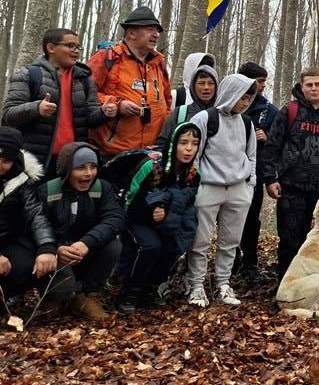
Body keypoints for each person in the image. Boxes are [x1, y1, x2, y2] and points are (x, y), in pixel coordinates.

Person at [262, 68, 319, 280]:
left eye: (317, 84)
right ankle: (286, 284)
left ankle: (315, 283)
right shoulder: (289, 111)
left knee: (318, 241)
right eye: (309, 85)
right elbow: (272, 146)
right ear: (301, 87)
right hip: (291, 188)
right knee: (289, 240)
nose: (313, 88)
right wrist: (270, 178)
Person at [184, 75, 258, 308]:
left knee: (231, 241)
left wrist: (250, 184)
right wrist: (195, 183)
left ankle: (223, 284)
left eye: (249, 98)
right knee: (200, 241)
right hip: (208, 188)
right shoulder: (205, 118)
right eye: (242, 97)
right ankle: (196, 285)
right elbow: (192, 151)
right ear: (230, 93)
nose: (245, 102)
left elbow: (252, 155)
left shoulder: (246, 123)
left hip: (238, 189)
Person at [3, 28, 114, 178]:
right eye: (70, 46)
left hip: (73, 163)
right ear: (51, 48)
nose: (76, 51)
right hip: (35, 162)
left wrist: (104, 112)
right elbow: (9, 115)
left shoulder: (85, 79)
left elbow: (89, 118)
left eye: (78, 47)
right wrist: (37, 108)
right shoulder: (28, 75)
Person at [116, 122, 202, 313]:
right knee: (149, 246)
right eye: (183, 142)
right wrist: (150, 211)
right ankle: (129, 292)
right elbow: (128, 199)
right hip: (134, 218)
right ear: (173, 143)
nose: (189, 149)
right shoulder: (152, 166)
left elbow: (187, 203)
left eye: (194, 144)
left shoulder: (193, 174)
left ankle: (150, 289)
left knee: (172, 247)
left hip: (168, 222)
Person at [37, 142, 125, 320]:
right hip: (58, 255)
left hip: (86, 252)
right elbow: (38, 227)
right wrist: (56, 249)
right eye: (81, 168)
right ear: (67, 169)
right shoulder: (46, 191)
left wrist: (87, 242)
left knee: (113, 245)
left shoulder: (103, 188)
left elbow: (115, 219)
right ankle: (65, 297)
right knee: (52, 311)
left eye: (93, 166)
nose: (88, 173)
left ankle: (90, 295)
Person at [0, 128, 76, 318]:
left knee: (29, 264)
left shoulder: (21, 180)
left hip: (8, 241)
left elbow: (36, 215)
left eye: (6, 161)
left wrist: (47, 248)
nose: (0, 166)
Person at [87, 6, 172, 158]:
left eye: (157, 31)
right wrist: (118, 105)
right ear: (131, 33)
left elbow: (167, 102)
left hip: (150, 154)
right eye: (150, 29)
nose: (156, 35)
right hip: (113, 154)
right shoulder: (106, 58)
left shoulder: (159, 63)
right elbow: (85, 95)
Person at [235, 62, 279, 281]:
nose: (263, 86)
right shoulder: (228, 104)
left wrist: (267, 137)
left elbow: (280, 139)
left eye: (263, 81)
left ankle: (250, 263)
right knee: (228, 219)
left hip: (255, 175)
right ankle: (231, 260)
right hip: (228, 174)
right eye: (259, 81)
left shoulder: (268, 110)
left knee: (251, 219)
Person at [156, 64, 218, 153]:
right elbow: (163, 143)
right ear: (193, 86)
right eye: (201, 83)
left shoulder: (221, 115)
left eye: (211, 83)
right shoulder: (180, 113)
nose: (206, 87)